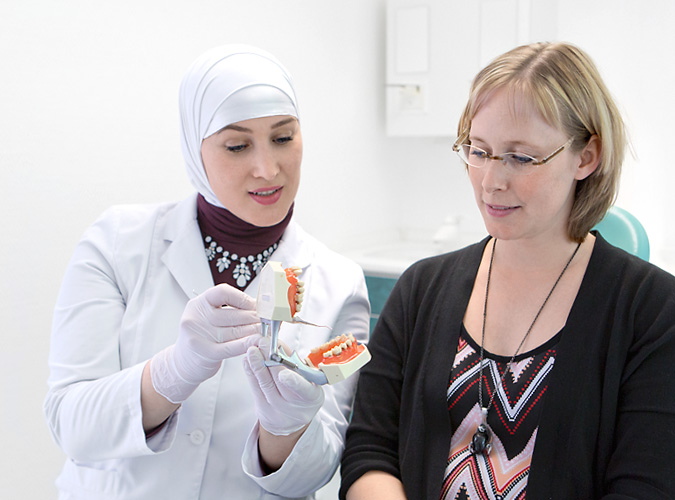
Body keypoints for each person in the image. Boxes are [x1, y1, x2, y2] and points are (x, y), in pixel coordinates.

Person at [340, 41, 675, 499]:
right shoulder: (420, 290)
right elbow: (369, 450)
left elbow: (646, 486)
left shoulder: (653, 311)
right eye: (479, 151)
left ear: (586, 156)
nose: (491, 181)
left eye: (521, 157)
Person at [43, 44, 370, 499]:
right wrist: (172, 372)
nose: (267, 168)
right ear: (195, 148)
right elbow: (70, 424)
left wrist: (286, 429)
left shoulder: (340, 282)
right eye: (237, 145)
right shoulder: (117, 242)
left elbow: (316, 472)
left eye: (283, 138)